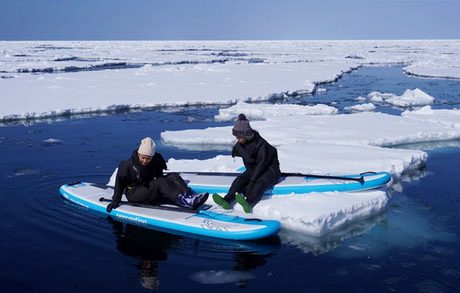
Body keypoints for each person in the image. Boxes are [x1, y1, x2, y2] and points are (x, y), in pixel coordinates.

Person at [106, 137, 208, 213]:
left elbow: (159, 175)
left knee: (173, 176)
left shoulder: (156, 159)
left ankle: (189, 196)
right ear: (138, 154)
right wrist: (116, 200)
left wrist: (167, 188)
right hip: (134, 192)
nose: (145, 161)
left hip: (148, 188)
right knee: (160, 182)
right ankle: (186, 201)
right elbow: (119, 182)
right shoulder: (127, 165)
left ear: (152, 156)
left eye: (148, 158)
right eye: (143, 157)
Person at [213, 114, 281, 213]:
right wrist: (248, 178)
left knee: (260, 182)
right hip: (254, 169)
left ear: (247, 135)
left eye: (240, 136)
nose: (238, 139)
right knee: (240, 179)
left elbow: (262, 164)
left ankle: (249, 203)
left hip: (270, 170)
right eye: (236, 136)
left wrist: (252, 180)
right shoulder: (241, 144)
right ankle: (227, 200)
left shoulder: (261, 144)